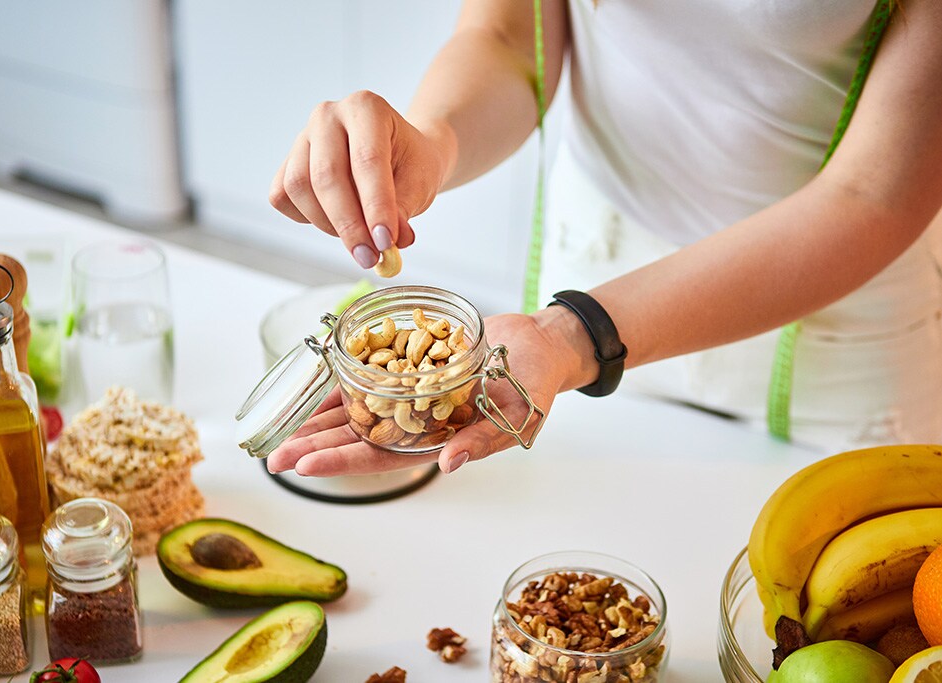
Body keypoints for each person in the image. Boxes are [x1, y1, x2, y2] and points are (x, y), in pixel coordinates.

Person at [265, 0, 942, 477]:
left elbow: (872, 194)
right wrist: (431, 141)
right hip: (593, 265)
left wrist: (574, 334)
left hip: (832, 309)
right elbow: (506, 35)